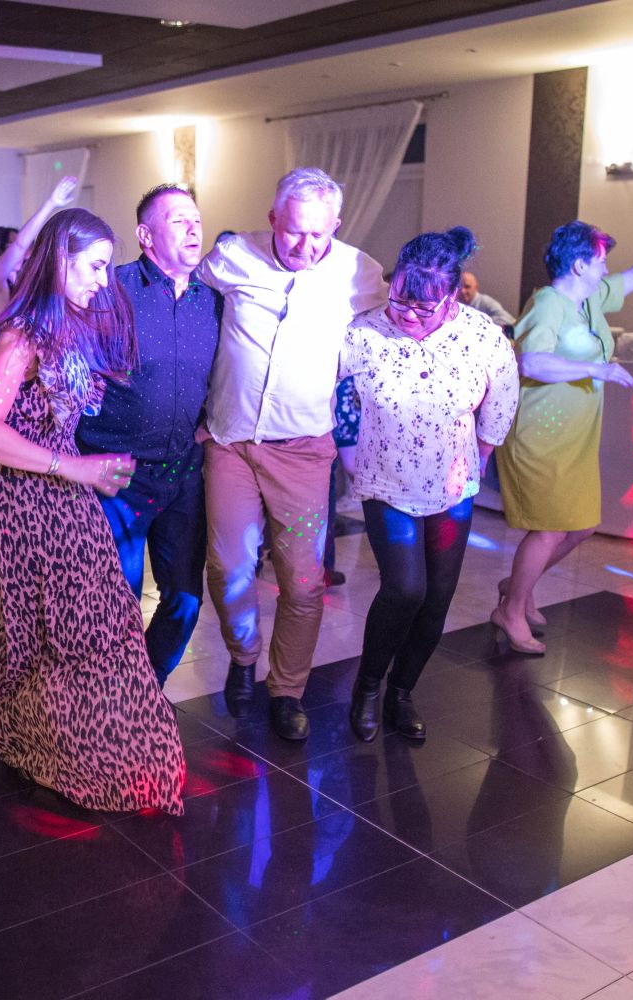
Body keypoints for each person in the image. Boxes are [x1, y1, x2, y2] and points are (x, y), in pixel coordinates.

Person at [0, 207, 186, 815]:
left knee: (98, 620)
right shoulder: (23, 334)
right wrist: (75, 467)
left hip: (62, 495)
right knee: (37, 631)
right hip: (18, 501)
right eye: (94, 266)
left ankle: (93, 746)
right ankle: (50, 744)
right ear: (59, 260)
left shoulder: (73, 323)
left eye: (107, 267)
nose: (102, 279)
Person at [195, 167, 387, 741]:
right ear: (272, 218)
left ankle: (287, 690)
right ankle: (243, 655)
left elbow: (395, 330)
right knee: (228, 568)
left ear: (337, 225)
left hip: (304, 453)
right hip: (230, 443)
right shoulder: (234, 256)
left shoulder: (360, 272)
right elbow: (188, 312)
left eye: (319, 234)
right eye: (294, 231)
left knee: (303, 583)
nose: (305, 246)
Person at [495, 221, 633, 653]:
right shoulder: (548, 304)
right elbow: (532, 363)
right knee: (549, 529)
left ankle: (518, 585)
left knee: (582, 527)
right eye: (600, 260)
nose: (606, 268)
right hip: (541, 433)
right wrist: (596, 369)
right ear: (579, 265)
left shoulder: (592, 297)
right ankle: (512, 609)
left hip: (576, 435)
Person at [340, 229, 519, 742]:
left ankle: (401, 692)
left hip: (452, 488)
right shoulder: (363, 332)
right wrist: (343, 448)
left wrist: (480, 454)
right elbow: (322, 392)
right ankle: (368, 687)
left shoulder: (481, 335)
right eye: (400, 300)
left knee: (437, 598)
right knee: (405, 588)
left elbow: (502, 399)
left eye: (423, 307)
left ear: (453, 297)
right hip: (385, 481)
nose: (408, 315)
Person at [76, 184, 221, 685]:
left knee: (184, 599)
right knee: (117, 602)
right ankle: (114, 700)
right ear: (145, 235)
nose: (193, 228)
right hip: (117, 473)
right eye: (178, 220)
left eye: (195, 219)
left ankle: (146, 688)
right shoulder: (111, 290)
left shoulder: (212, 301)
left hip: (183, 471)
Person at [0, 176, 80, 326]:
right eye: (11, 246)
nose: (23, 250)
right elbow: (20, 245)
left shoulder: (21, 281)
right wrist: (51, 203)